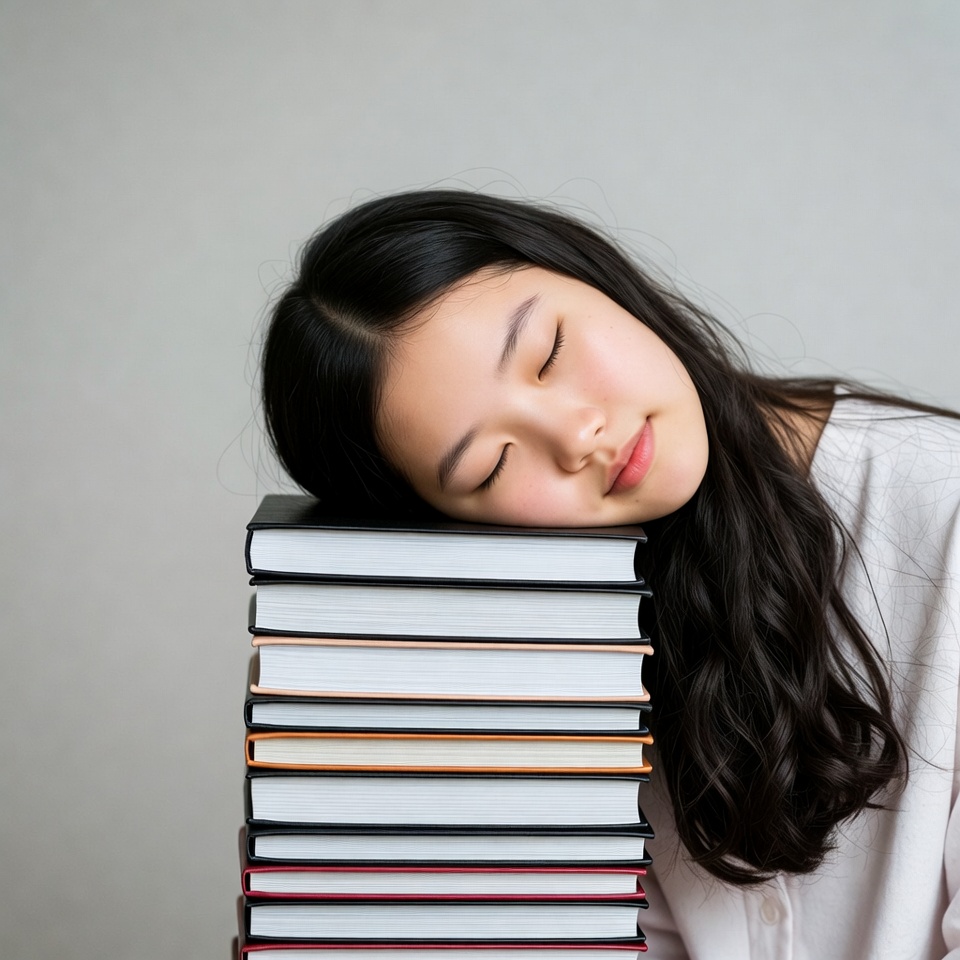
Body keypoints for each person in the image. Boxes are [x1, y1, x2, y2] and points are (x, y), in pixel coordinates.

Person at [259, 189, 960, 959]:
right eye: (492, 464)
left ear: (592, 275)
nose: (576, 436)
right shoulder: (544, 667)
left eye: (550, 352)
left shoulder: (942, 508)